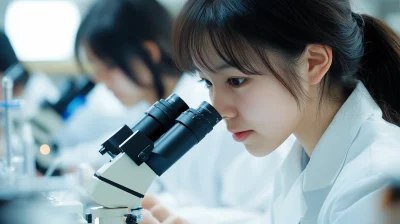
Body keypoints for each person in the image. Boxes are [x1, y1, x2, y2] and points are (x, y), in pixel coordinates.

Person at [140, 0, 400, 223]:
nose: (218, 110)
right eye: (208, 82)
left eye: (236, 80)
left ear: (313, 63)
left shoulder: (373, 181)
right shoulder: (300, 164)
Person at [65, 0, 295, 222]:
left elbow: (261, 214)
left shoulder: (220, 115)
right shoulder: (157, 111)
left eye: (110, 67)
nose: (100, 80)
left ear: (148, 53)